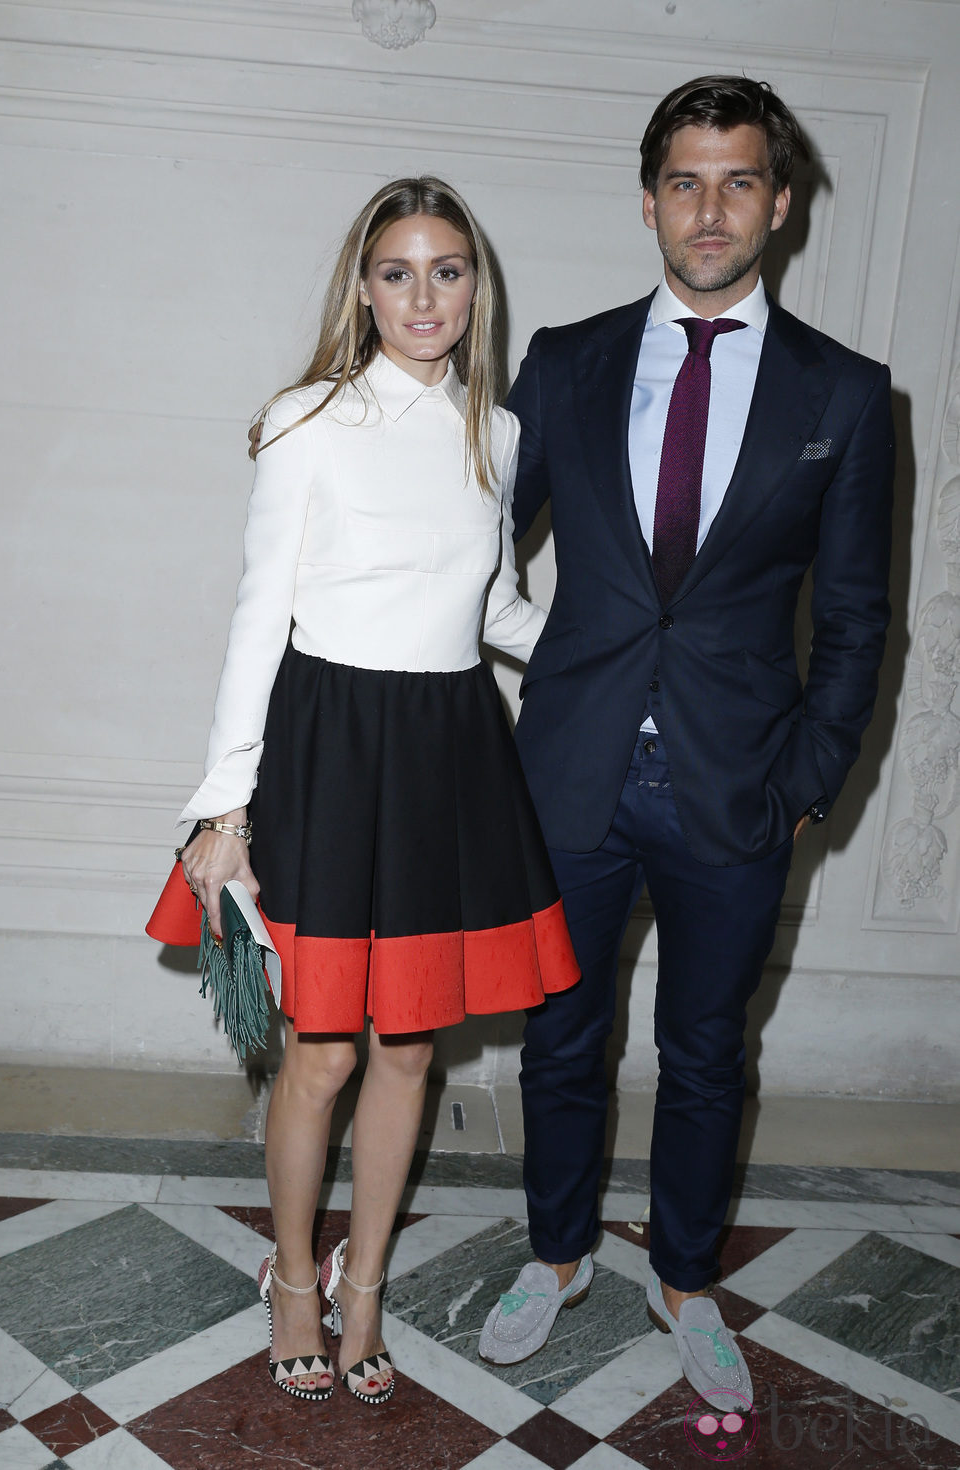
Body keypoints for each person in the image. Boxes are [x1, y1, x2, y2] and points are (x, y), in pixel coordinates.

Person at [478, 76, 894, 1411]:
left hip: (738, 791)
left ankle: (687, 1275)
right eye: (684, 180)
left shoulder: (848, 394)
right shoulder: (567, 359)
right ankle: (555, 1251)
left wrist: (807, 788)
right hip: (571, 778)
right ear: (650, 194)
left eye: (738, 182)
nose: (709, 210)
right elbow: (468, 546)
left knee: (709, 1050)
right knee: (560, 1038)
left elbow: (856, 620)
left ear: (779, 201)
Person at [147, 176, 578, 1407]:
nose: (422, 295)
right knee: (321, 1052)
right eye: (397, 271)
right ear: (362, 286)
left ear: (473, 287)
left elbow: (489, 608)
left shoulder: (496, 434)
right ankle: (291, 1277)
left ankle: (365, 1286)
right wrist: (224, 813)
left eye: (446, 270)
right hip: (329, 747)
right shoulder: (306, 419)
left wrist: (615, 665)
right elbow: (256, 621)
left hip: (450, 752)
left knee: (409, 1051)